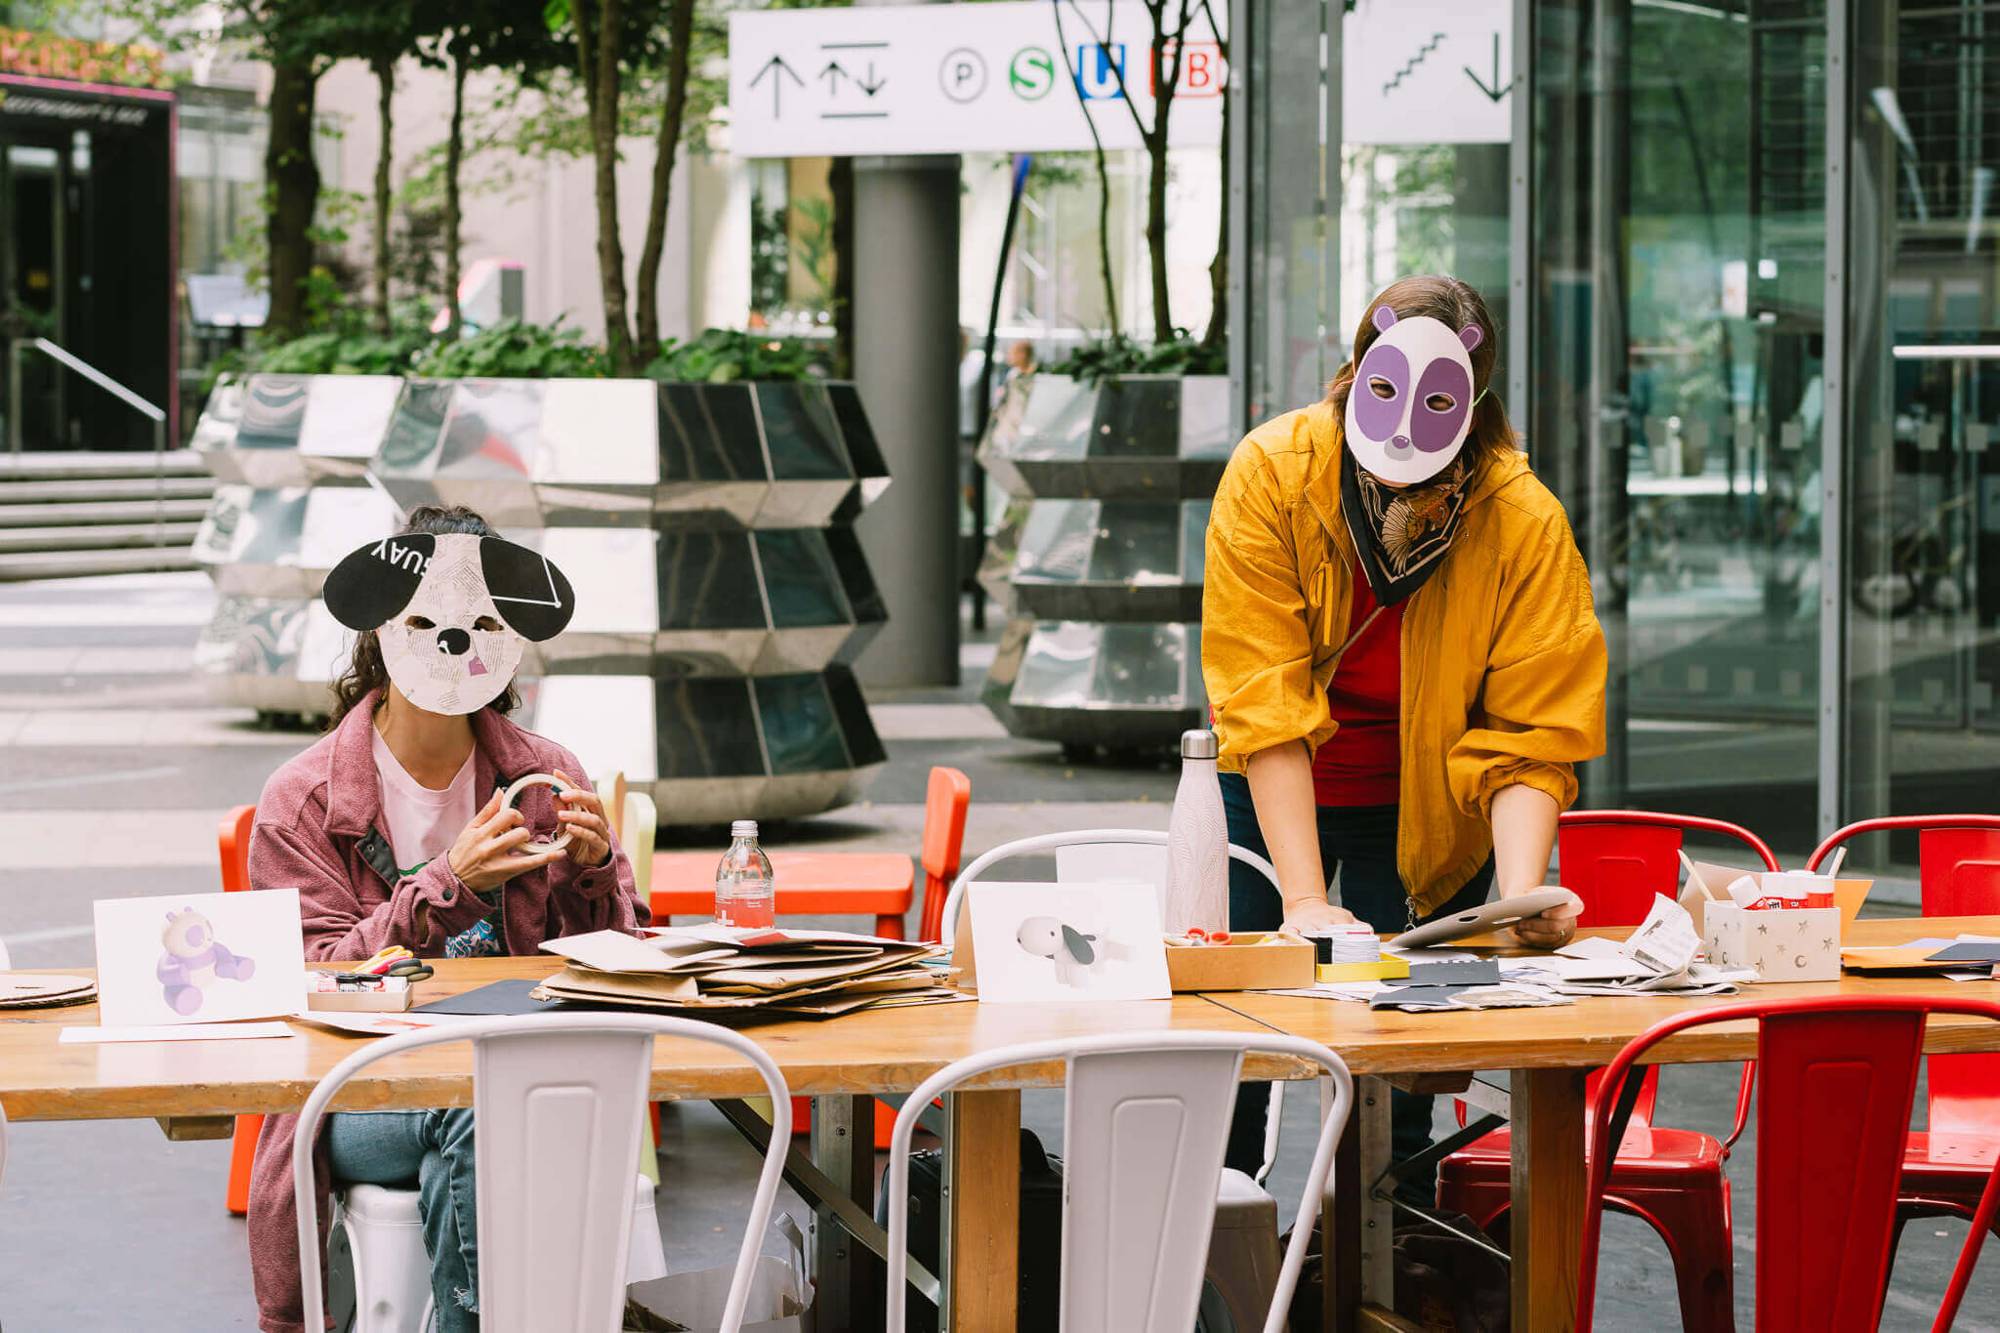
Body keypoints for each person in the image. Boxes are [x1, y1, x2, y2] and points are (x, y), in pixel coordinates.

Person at [1200, 274, 1607, 1190]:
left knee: (1405, 1060)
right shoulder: (1273, 472)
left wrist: (1517, 895)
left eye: (1436, 408)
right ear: (1354, 372)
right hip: (1263, 787)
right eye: (1385, 395)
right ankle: (1220, 1261)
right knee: (1229, 1043)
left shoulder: (1518, 517)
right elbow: (1261, 696)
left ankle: (1390, 1264)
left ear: (1475, 402)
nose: (1403, 440)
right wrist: (1302, 897)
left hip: (1425, 803)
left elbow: (1532, 729)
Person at [244, 504, 646, 1333]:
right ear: (380, 631)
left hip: (515, 1074)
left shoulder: (546, 772)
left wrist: (596, 873)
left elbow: (616, 960)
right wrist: (447, 884)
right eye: (424, 619)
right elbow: (312, 980)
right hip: (358, 1092)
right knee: (480, 1100)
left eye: (482, 622)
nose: (452, 641)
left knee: (466, 1135)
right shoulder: (304, 798)